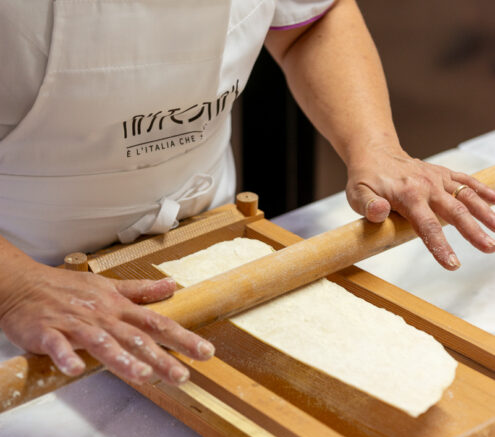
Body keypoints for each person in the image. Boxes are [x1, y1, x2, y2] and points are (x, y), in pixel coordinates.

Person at [1, 0, 494, 387]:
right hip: (27, 293)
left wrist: (377, 146)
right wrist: (16, 288)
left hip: (210, 242)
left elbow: (310, 20)